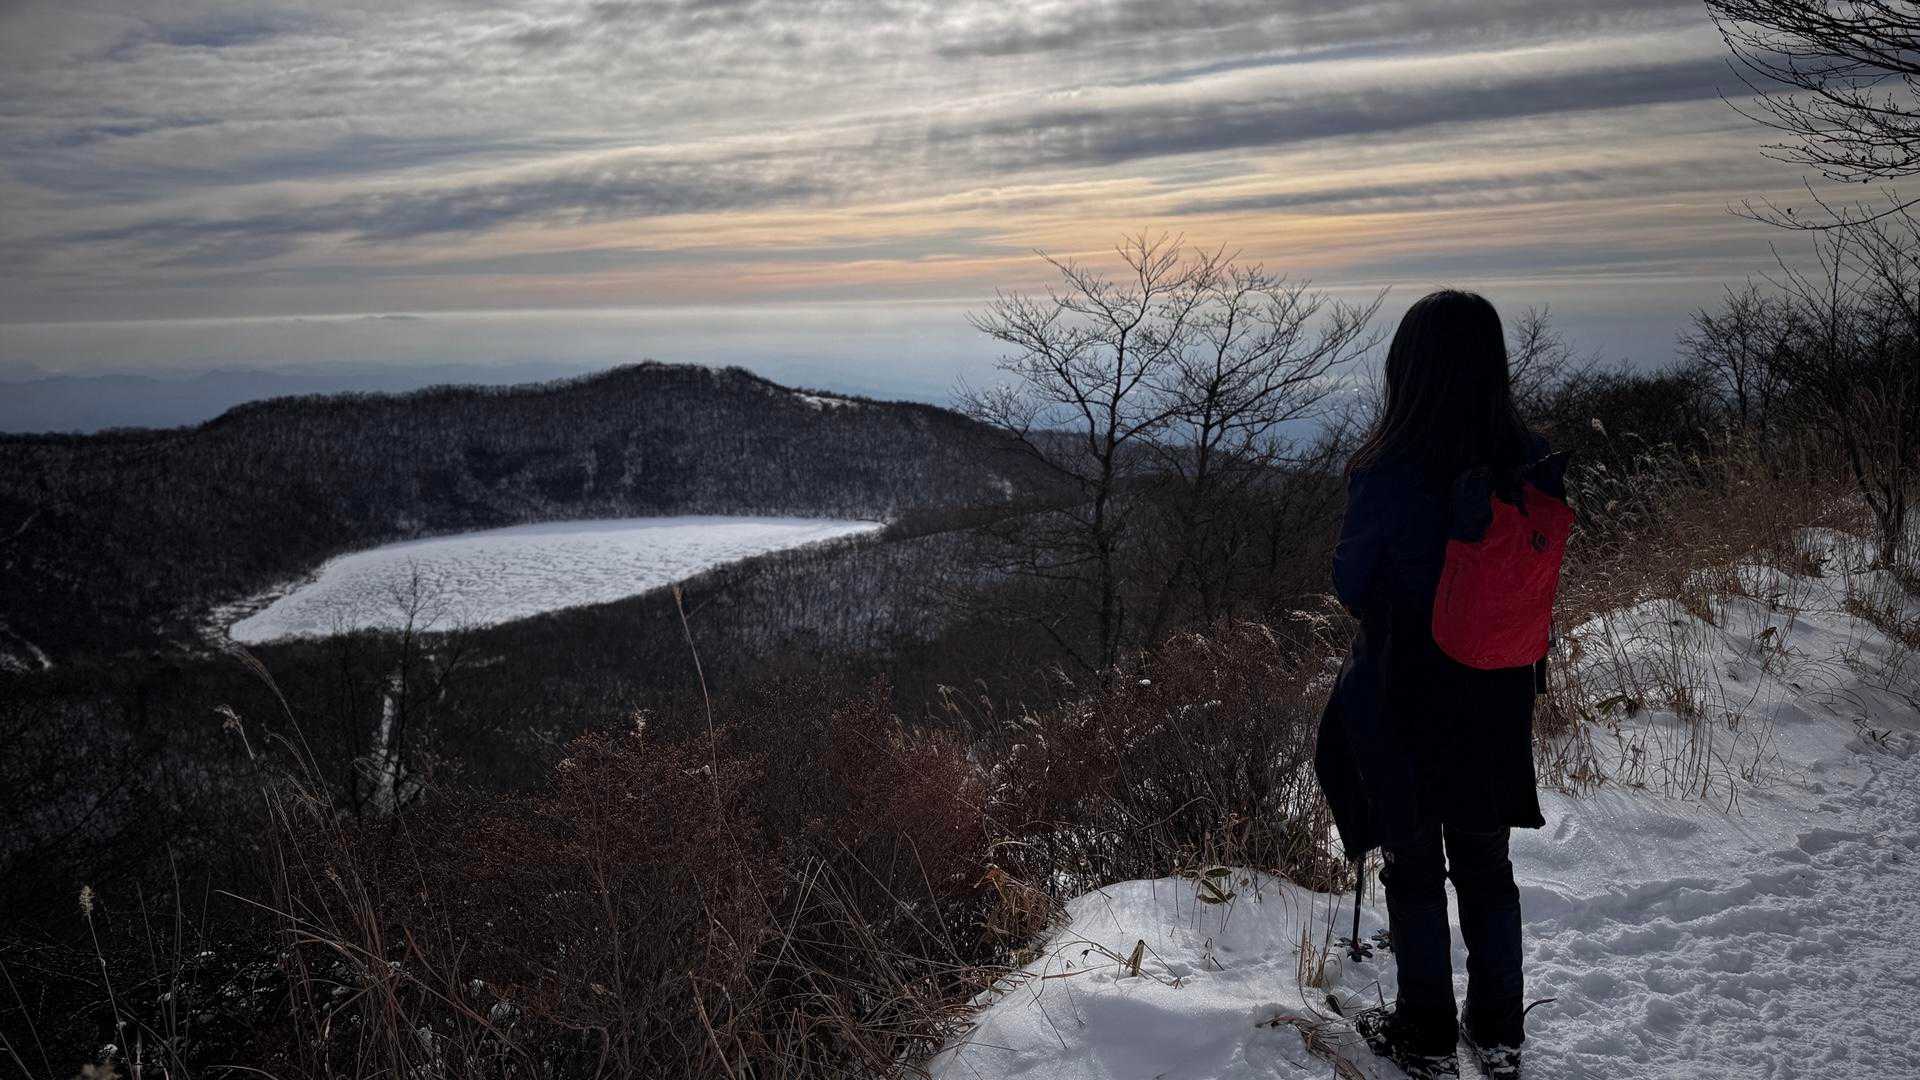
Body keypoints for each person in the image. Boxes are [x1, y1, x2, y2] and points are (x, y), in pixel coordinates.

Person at [1313, 289, 1558, 1080]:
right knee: (1486, 864)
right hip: (1496, 691)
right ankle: (1498, 1030)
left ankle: (1424, 1035)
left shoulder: (1387, 470)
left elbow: (1353, 583)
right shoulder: (1530, 462)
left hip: (1406, 690)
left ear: (1407, 369)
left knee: (1414, 862)